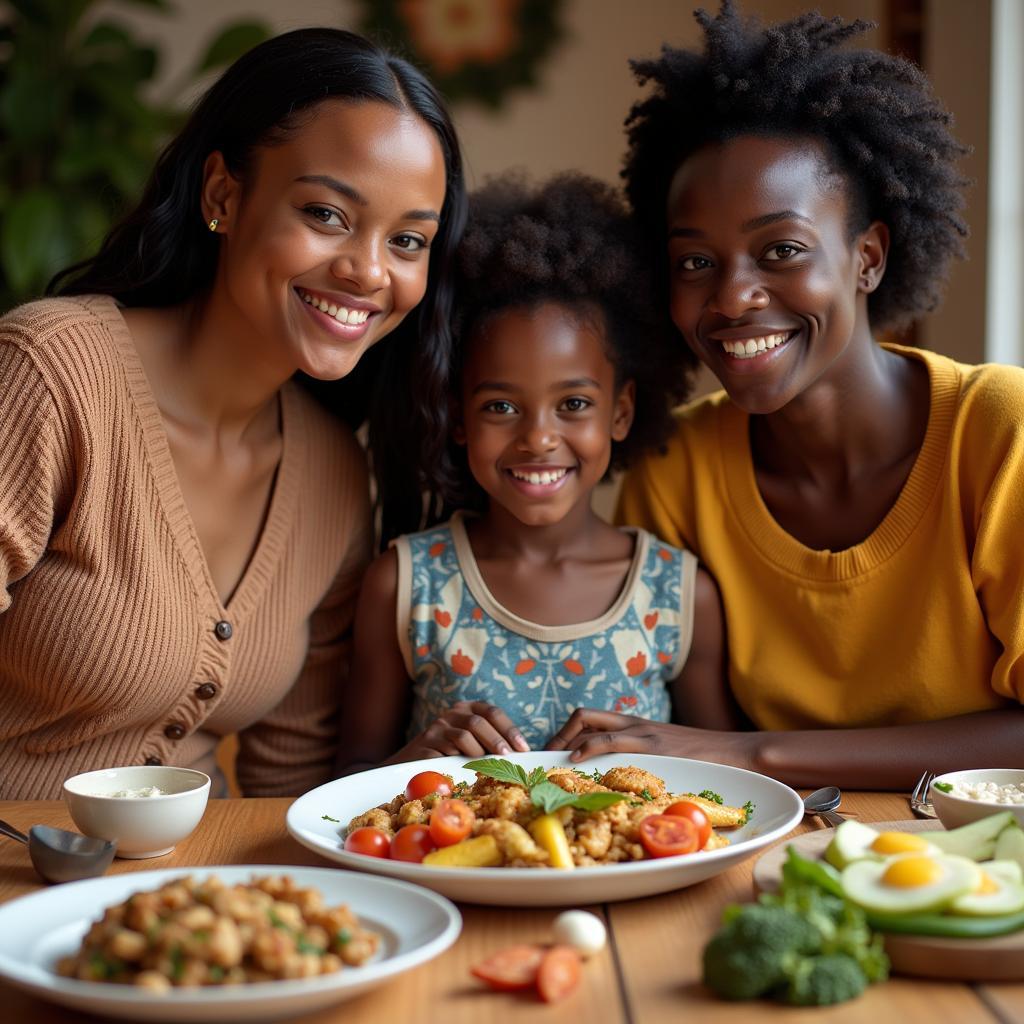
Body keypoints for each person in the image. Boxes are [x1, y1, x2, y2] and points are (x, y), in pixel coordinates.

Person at [547, 1, 1024, 789]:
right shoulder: (676, 473)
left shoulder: (996, 432)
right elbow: (659, 738)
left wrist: (755, 755)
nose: (732, 297)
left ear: (867, 257)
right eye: (696, 262)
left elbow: (715, 749)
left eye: (782, 250)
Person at [0, 28, 466, 800]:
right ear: (223, 194)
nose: (368, 271)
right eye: (326, 213)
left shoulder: (332, 472)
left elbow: (287, 785)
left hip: (193, 906)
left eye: (409, 239)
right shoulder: (51, 374)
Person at [337, 172, 735, 772]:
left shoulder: (679, 597)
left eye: (573, 404)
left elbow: (727, 781)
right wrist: (415, 760)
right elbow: (349, 781)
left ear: (621, 411)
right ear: (459, 418)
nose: (539, 438)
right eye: (501, 407)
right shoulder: (405, 586)